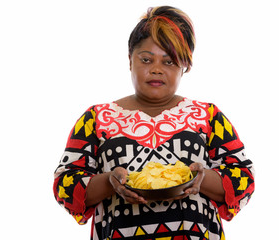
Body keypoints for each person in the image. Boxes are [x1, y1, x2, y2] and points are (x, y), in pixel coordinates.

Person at [53, 6, 255, 240]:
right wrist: (110, 182)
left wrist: (203, 179)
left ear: (184, 67)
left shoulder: (209, 116)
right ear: (130, 60)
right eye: (147, 59)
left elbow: (244, 179)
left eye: (169, 62)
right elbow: (64, 186)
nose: (157, 69)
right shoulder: (96, 118)